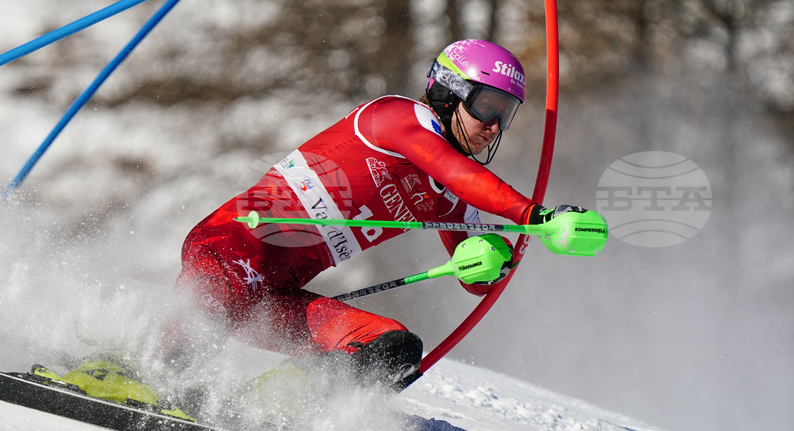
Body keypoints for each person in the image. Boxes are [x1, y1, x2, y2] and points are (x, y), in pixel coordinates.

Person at [174, 40, 581, 391]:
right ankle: (151, 368)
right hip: (230, 248)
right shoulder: (397, 117)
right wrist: (535, 216)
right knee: (208, 312)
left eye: (505, 114)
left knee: (393, 348)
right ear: (449, 92)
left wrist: (488, 261)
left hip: (274, 299)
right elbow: (459, 173)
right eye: (486, 106)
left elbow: (476, 284)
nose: (493, 126)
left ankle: (274, 408)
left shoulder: (453, 198)